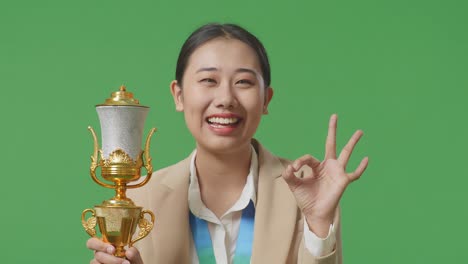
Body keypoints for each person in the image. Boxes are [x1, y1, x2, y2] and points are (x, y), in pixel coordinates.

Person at [87, 23, 369, 264]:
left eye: (243, 82)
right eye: (209, 80)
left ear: (266, 99)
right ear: (179, 95)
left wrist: (319, 224)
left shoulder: (306, 190)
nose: (226, 98)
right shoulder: (138, 198)